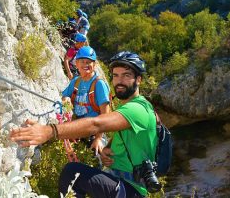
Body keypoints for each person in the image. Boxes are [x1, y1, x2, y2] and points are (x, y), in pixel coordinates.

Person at [10, 51, 158, 198]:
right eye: (116, 75)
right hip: (120, 182)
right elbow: (123, 134)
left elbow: (97, 124)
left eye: (126, 75)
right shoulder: (128, 107)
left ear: (138, 80)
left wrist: (49, 131)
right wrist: (107, 148)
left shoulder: (138, 108)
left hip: (129, 188)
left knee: (72, 172)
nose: (119, 81)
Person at [62, 46, 110, 151]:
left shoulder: (99, 84)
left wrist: (98, 139)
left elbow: (105, 114)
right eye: (82, 61)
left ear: (94, 64)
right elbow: (65, 96)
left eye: (89, 62)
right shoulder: (76, 81)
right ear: (76, 63)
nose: (85, 65)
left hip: (93, 132)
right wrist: (66, 101)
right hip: (77, 127)